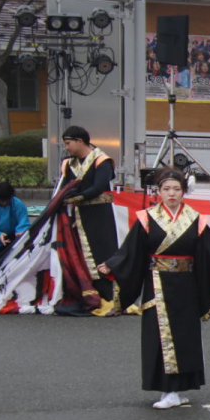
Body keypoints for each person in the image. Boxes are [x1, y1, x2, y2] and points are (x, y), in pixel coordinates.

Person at [99, 169, 210, 409]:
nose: (171, 193)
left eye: (176, 189)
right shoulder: (147, 218)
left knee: (184, 337)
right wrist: (113, 264)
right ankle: (167, 390)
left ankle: (179, 388)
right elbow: (132, 250)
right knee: (159, 336)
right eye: (166, 189)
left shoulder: (196, 219)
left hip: (186, 285)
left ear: (184, 191)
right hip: (157, 283)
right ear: (158, 192)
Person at [57, 126, 120, 314]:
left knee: (102, 251)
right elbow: (64, 186)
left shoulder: (102, 161)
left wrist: (77, 196)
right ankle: (86, 292)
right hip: (77, 214)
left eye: (68, 143)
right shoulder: (68, 164)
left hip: (100, 214)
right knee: (80, 253)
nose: (66, 148)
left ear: (80, 141)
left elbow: (99, 186)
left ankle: (108, 295)